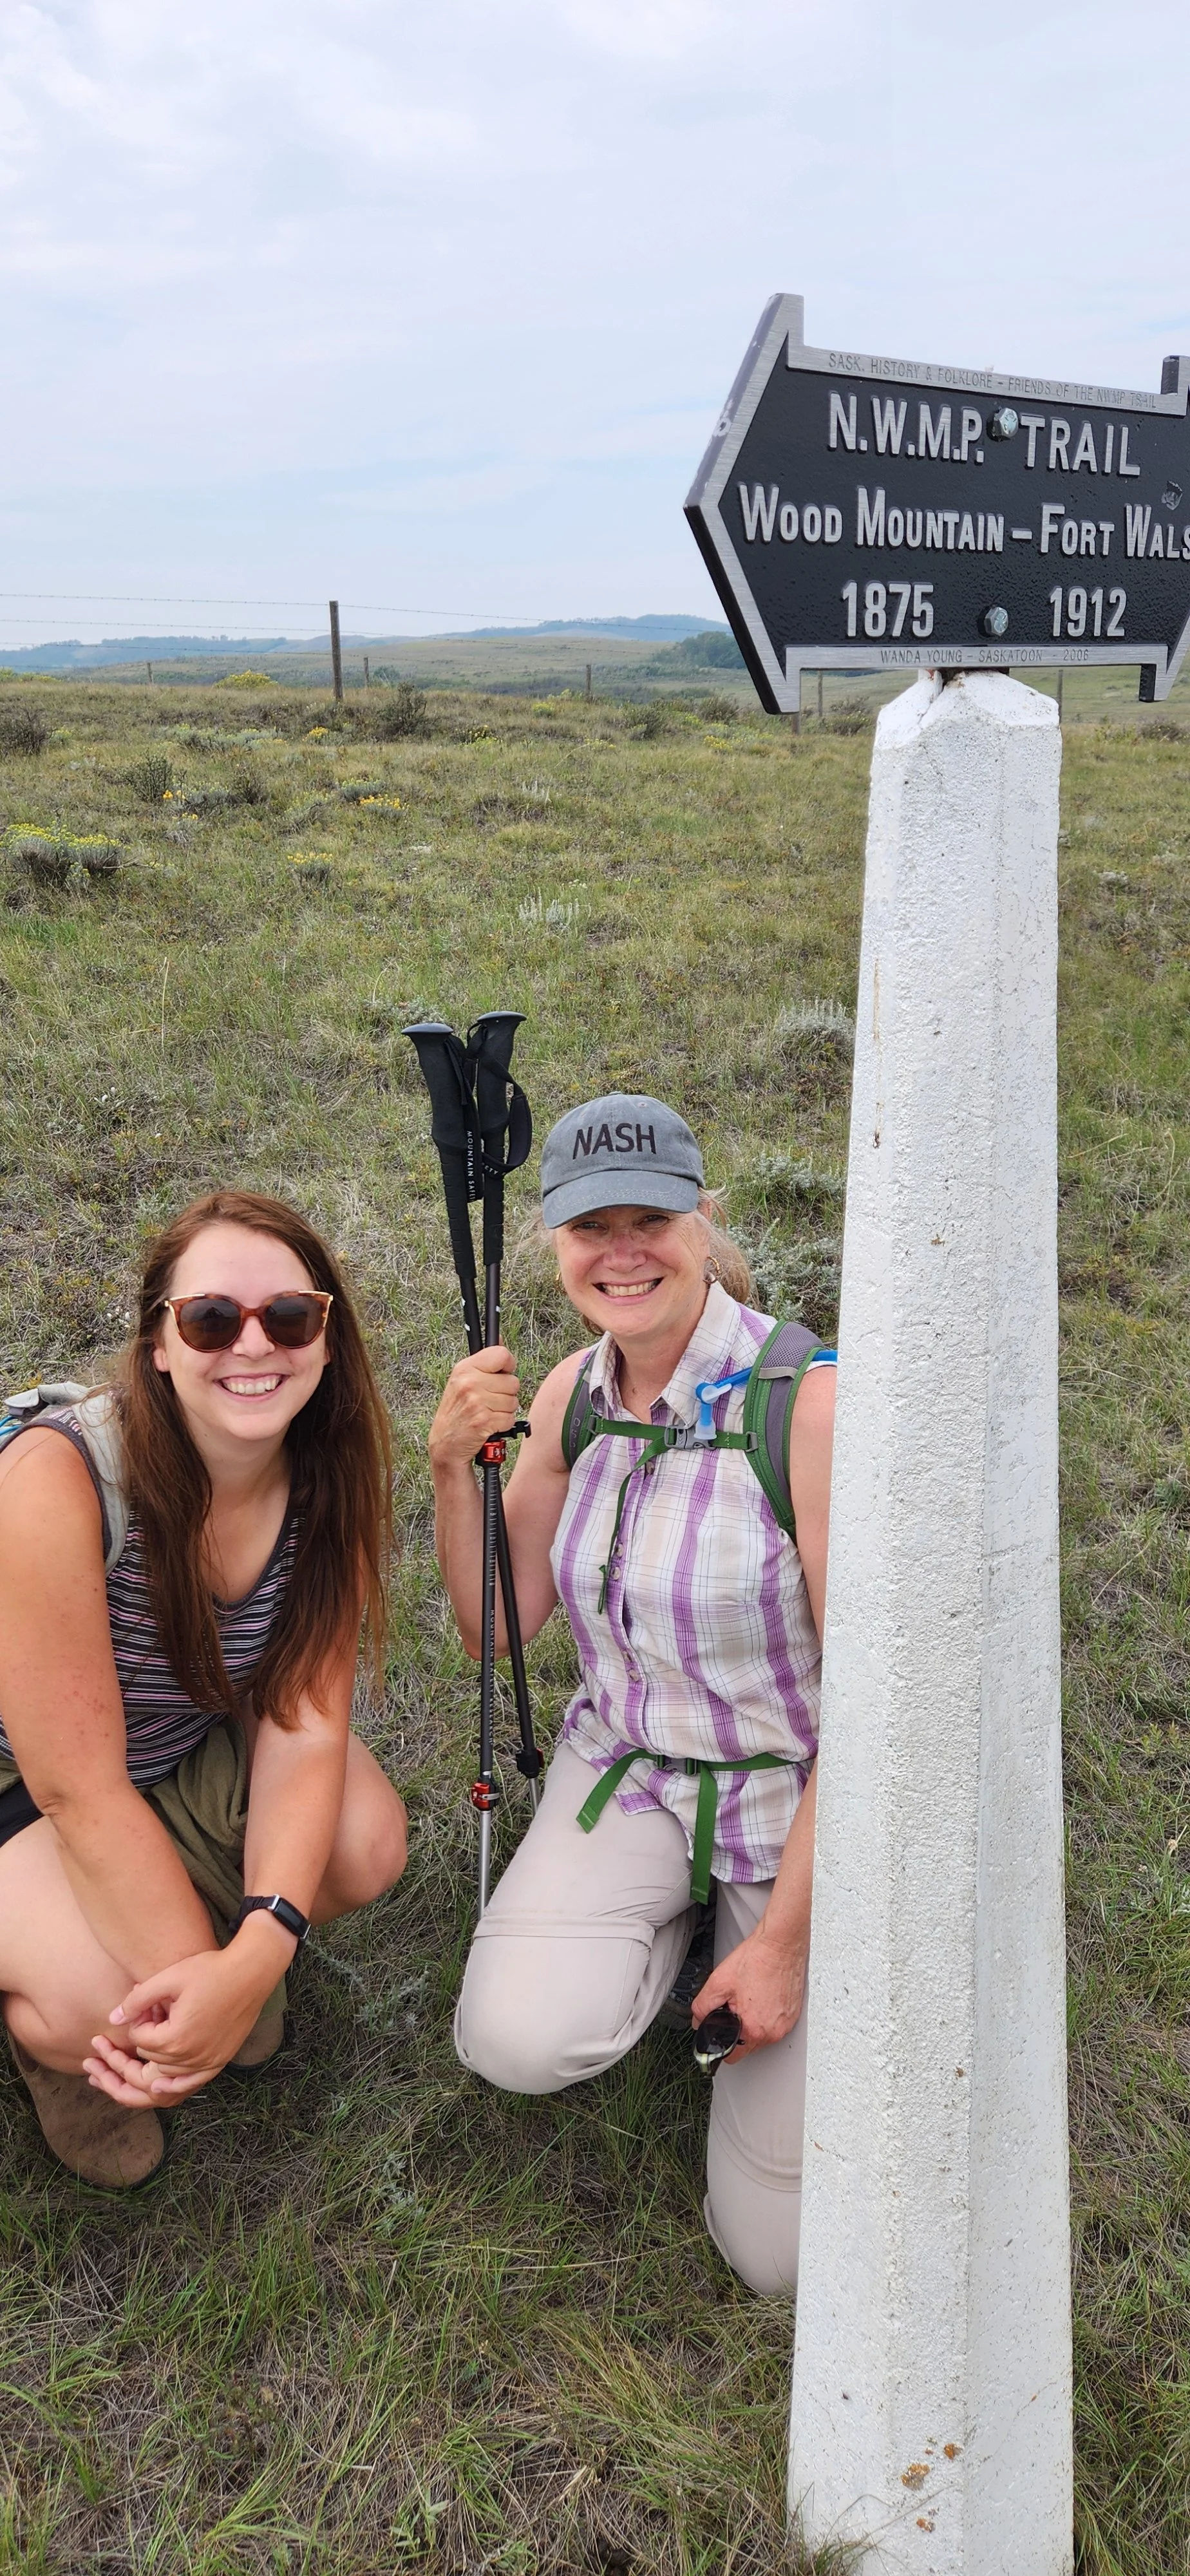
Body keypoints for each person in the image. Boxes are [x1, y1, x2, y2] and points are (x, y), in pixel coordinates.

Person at [428, 1095, 835, 2296]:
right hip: (632, 1772)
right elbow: (491, 1624)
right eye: (588, 1227)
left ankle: (748, 1932)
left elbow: (875, 1703)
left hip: (792, 1798)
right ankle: (670, 1922)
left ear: (703, 1220)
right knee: (511, 2038)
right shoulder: (571, 1398)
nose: (621, 1253)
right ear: (554, 1245)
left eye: (649, 1218)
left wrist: (791, 1947)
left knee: (780, 2260)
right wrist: (454, 1469)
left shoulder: (808, 1406)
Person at [0, 1190, 407, 2188]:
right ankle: (60, 2047)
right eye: (213, 1318)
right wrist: (204, 1991)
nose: (253, 1345)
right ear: (160, 1346)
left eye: (292, 1317)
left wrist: (257, 1957)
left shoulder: (328, 1474)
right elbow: (75, 1787)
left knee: (363, 1841)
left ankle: (174, 1965)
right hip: (29, 1794)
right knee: (107, 1996)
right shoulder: (60, 1480)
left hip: (168, 1759)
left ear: (326, 1338)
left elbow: (306, 1731)